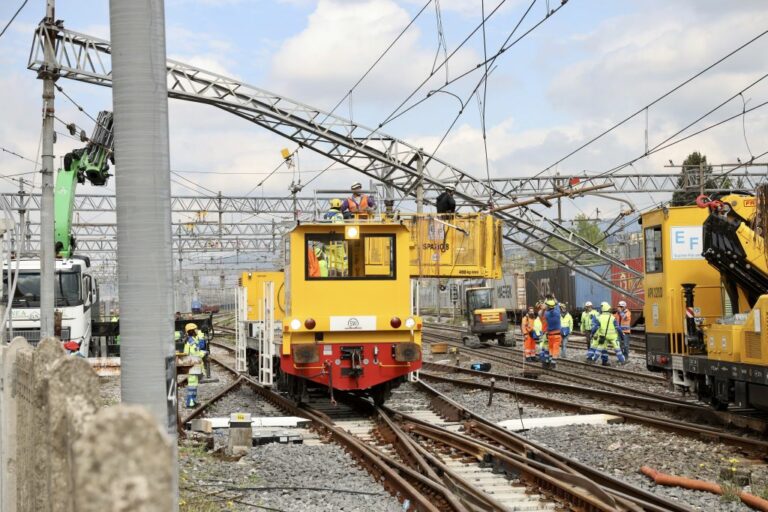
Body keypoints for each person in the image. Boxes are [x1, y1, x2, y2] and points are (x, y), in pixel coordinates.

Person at [589, 302, 627, 366]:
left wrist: (592, 334)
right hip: (613, 337)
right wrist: (622, 336)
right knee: (617, 349)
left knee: (600, 348)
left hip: (604, 336)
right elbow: (618, 328)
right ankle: (622, 360)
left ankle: (593, 359)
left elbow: (595, 328)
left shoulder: (599, 317)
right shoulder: (612, 317)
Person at [183, 323, 207, 408]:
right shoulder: (191, 341)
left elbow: (201, 345)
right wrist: (204, 353)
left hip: (192, 365)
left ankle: (192, 401)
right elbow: (197, 352)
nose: (197, 330)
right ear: (192, 331)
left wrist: (202, 336)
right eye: (196, 329)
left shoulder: (191, 339)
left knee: (194, 384)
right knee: (192, 385)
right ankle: (190, 403)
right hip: (192, 365)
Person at [542, 297, 562, 367]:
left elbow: (544, 309)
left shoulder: (546, 314)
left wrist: (545, 301)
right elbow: (557, 304)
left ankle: (550, 360)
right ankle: (553, 363)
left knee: (550, 348)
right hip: (557, 334)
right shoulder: (557, 312)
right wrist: (554, 298)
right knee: (555, 348)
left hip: (550, 335)